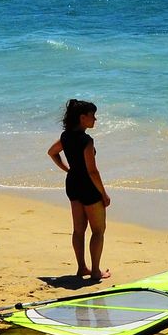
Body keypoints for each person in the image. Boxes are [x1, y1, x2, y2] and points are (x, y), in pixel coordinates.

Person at [46, 98, 111, 283]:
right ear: (83, 118)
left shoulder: (65, 136)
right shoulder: (86, 141)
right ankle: (96, 272)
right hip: (88, 187)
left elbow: (52, 152)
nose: (95, 119)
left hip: (73, 183)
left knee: (79, 229)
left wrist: (67, 169)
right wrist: (104, 194)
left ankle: (82, 267)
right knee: (98, 230)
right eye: (93, 116)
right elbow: (92, 171)